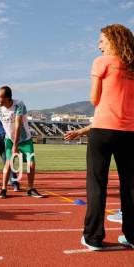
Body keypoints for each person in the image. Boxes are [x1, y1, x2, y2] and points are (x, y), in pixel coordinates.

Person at [80, 24, 134, 251]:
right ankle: (132, 236)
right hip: (130, 132)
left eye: (102, 40)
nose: (99, 45)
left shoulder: (101, 62)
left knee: (96, 184)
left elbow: (94, 99)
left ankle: (93, 237)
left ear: (113, 40)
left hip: (103, 129)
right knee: (130, 186)